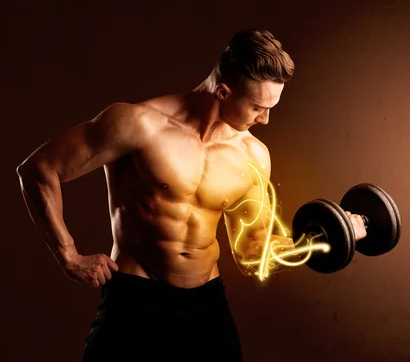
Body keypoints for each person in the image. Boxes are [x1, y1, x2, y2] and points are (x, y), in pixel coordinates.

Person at [16, 29, 367, 361]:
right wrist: (68, 255)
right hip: (136, 302)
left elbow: (252, 252)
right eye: (258, 107)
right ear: (223, 91)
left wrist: (329, 236)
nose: (266, 120)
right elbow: (39, 169)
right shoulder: (138, 124)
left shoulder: (252, 155)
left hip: (206, 306)